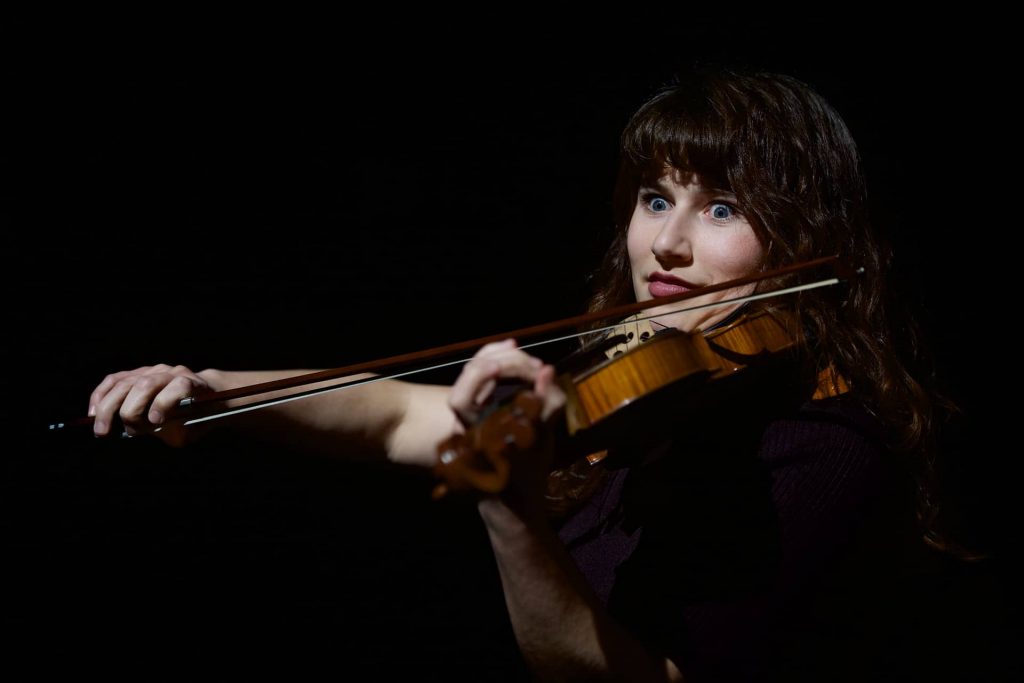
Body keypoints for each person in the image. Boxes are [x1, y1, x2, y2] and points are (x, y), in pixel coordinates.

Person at [87, 65, 957, 680]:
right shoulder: (649, 385)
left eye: (721, 207)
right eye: (657, 198)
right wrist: (214, 390)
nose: (667, 243)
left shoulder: (822, 447)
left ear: (806, 240)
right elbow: (396, 416)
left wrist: (510, 510)